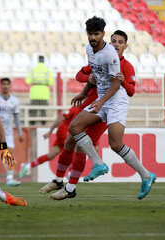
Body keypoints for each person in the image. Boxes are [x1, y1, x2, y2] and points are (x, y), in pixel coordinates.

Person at [60, 17, 155, 200]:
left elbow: (116, 84)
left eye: (96, 34)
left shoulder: (111, 54)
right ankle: (99, 164)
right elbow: (95, 73)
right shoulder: (89, 49)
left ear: (103, 34)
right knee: (74, 127)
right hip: (102, 99)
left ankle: (146, 175)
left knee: (116, 144)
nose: (93, 37)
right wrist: (85, 92)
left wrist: (101, 102)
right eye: (90, 34)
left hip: (115, 100)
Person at [43, 29, 138, 200]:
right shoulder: (101, 56)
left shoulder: (125, 65)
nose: (116, 44)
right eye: (113, 41)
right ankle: (59, 180)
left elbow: (130, 90)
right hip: (90, 104)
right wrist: (88, 81)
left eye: (120, 42)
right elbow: (80, 75)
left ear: (126, 46)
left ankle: (70, 187)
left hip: (104, 107)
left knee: (81, 145)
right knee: (69, 140)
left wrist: (121, 82)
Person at [18, 106, 79, 178]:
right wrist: (50, 132)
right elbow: (60, 119)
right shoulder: (76, 108)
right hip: (65, 132)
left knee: (51, 155)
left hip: (67, 133)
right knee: (74, 149)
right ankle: (70, 173)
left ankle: (27, 166)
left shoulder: (86, 110)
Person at [0, 78, 24, 187]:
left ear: (10, 86)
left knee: (9, 153)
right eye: (3, 84)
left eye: (7, 84)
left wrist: (20, 132)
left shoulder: (14, 101)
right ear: (0, 85)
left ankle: (10, 178)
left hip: (8, 133)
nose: (5, 86)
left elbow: (17, 118)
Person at [25, 55, 54, 125]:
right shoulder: (47, 70)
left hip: (35, 92)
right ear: (44, 60)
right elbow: (51, 82)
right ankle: (43, 123)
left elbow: (28, 81)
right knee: (43, 110)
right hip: (44, 92)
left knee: (33, 110)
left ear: (38, 60)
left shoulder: (33, 69)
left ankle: (32, 123)